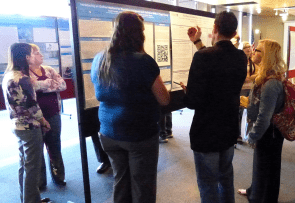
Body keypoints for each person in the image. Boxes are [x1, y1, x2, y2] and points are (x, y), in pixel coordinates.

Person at [91, 11, 170, 203]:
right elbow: (164, 99)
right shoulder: (143, 61)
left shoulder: (99, 59)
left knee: (121, 181)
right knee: (142, 186)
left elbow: (100, 93)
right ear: (139, 33)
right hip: (138, 135)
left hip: (108, 133)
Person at [183, 11, 247, 203]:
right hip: (228, 127)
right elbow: (219, 61)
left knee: (207, 181)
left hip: (206, 130)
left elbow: (193, 101)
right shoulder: (241, 57)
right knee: (226, 176)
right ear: (235, 32)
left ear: (215, 29)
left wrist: (188, 92)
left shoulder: (203, 57)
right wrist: (197, 42)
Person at [237, 39, 287, 203]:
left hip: (269, 133)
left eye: (257, 50)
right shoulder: (266, 77)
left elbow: (264, 117)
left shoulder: (271, 83)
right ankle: (254, 192)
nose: (253, 51)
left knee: (267, 168)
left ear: (267, 56)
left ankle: (262, 198)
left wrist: (252, 135)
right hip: (268, 132)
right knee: (261, 167)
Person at [2, 43, 52, 203]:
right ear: (26, 57)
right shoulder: (23, 79)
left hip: (17, 125)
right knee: (32, 168)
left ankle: (29, 198)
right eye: (31, 53)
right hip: (30, 126)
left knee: (23, 164)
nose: (33, 56)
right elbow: (31, 105)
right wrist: (43, 121)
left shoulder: (9, 75)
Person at [28, 44, 67, 188]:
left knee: (55, 147)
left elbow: (63, 85)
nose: (41, 54)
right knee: (37, 151)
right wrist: (48, 84)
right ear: (28, 57)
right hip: (34, 118)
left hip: (53, 114)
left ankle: (59, 177)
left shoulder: (49, 70)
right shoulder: (25, 74)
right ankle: (41, 183)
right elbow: (30, 89)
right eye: (36, 53)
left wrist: (40, 86)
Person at [238, 42, 258, 144]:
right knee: (239, 112)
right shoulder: (239, 61)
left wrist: (250, 78)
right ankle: (238, 135)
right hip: (241, 89)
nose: (249, 49)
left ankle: (249, 134)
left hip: (251, 88)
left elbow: (257, 73)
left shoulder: (253, 61)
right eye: (246, 48)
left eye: (250, 48)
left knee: (251, 111)